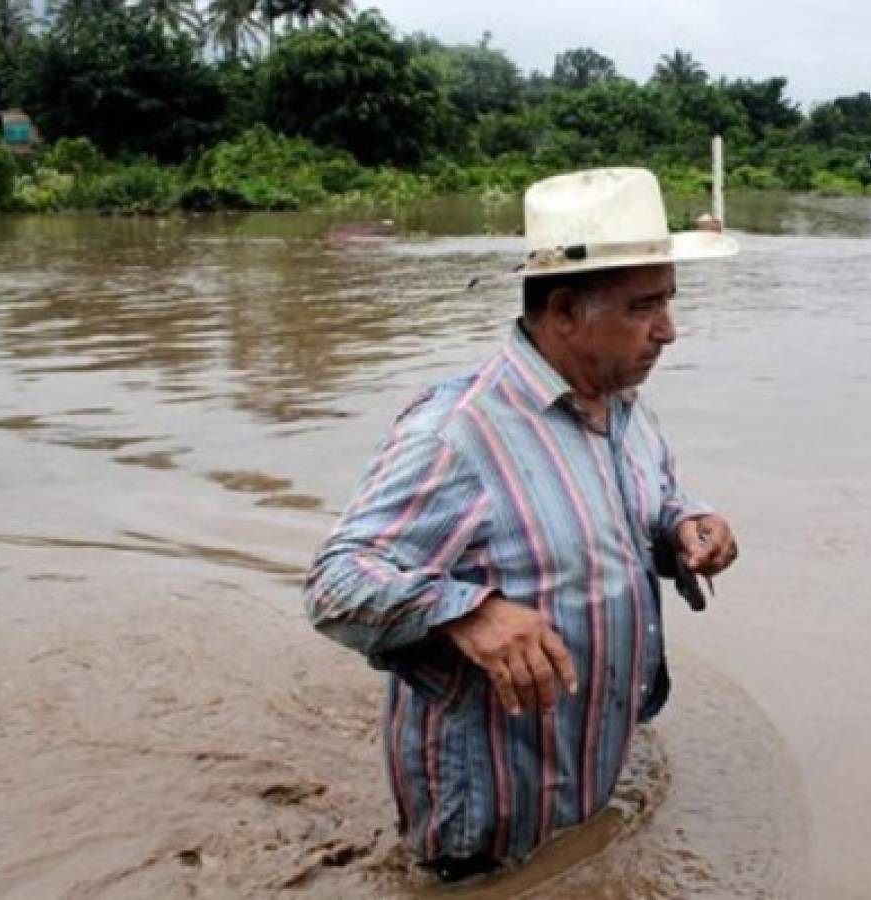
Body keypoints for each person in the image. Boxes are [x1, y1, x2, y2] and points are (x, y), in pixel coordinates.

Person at [304, 167, 740, 882]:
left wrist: (683, 524)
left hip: (589, 771)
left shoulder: (624, 407)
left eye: (667, 302)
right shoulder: (458, 434)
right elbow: (336, 581)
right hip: (487, 825)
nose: (669, 330)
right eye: (644, 307)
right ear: (565, 310)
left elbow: (648, 497)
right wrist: (467, 615)